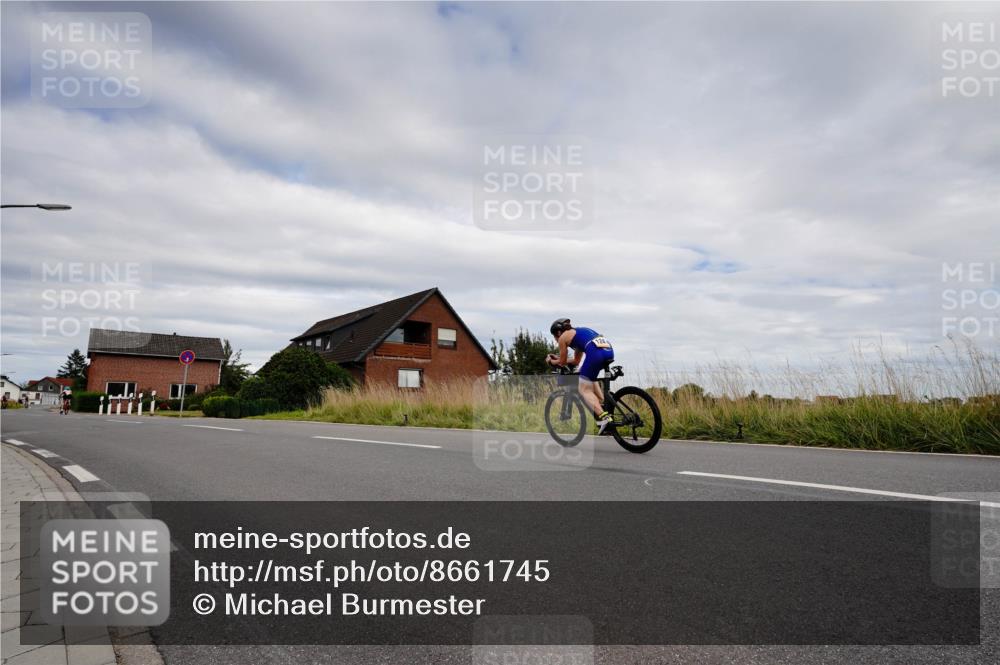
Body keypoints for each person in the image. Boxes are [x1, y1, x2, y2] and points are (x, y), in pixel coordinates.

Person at [546, 318, 615, 434]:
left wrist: (551, 362)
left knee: (582, 389)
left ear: (558, 332)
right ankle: (602, 401)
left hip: (595, 353)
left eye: (554, 336)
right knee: (586, 374)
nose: (556, 340)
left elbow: (562, 363)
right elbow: (576, 361)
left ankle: (604, 418)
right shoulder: (578, 333)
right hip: (608, 350)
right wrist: (559, 359)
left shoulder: (563, 338)